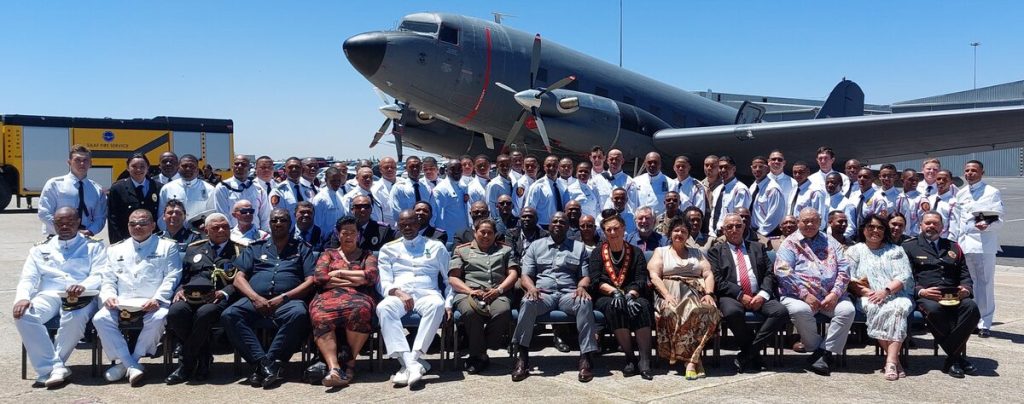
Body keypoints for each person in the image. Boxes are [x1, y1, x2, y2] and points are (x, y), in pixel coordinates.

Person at [222, 208, 315, 388]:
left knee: (299, 314)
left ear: (290, 224)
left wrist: (283, 298)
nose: (278, 223)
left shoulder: (302, 248)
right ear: (269, 224)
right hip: (255, 300)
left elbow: (310, 281)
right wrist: (255, 298)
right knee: (230, 314)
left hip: (288, 302)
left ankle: (266, 364)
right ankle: (264, 364)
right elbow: (238, 279)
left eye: (283, 220)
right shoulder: (255, 248)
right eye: (274, 220)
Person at [14, 207, 106, 387]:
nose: (64, 226)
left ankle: (50, 369)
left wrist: (83, 285)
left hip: (82, 296)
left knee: (75, 315)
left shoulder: (93, 246)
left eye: (69, 222)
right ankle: (54, 367)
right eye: (59, 223)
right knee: (24, 315)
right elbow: (28, 278)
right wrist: (23, 297)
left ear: (78, 222)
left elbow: (100, 274)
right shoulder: (40, 249)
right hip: (49, 294)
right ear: (53, 224)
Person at [93, 209, 182, 386]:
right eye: (133, 224)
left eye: (142, 223)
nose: (137, 227)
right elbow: (108, 278)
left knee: (159, 317)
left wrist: (158, 298)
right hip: (122, 302)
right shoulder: (116, 249)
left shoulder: (167, 246)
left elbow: (173, 276)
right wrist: (109, 296)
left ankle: (129, 362)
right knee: (100, 318)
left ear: (153, 225)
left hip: (151, 302)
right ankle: (131, 365)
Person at [511, 212, 597, 383]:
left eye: (562, 222)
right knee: (527, 301)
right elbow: (526, 275)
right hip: (543, 294)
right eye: (555, 221)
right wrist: (531, 287)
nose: (558, 224)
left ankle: (585, 358)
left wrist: (581, 286)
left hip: (569, 294)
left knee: (585, 301)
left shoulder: (578, 247)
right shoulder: (535, 246)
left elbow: (585, 275)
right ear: (549, 225)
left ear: (567, 226)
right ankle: (522, 357)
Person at [376, 209, 452, 387]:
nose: (407, 227)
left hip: (427, 293)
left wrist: (448, 304)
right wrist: (398, 293)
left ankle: (412, 360)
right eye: (403, 224)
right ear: (398, 226)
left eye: (411, 223)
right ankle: (413, 365)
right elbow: (384, 283)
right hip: (400, 294)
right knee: (383, 308)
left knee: (437, 304)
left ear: (419, 224)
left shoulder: (435, 246)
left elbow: (449, 280)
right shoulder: (388, 248)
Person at [165, 213, 243, 384]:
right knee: (175, 312)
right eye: (216, 227)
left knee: (205, 313)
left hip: (220, 297)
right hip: (192, 296)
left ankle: (186, 363)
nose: (222, 230)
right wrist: (179, 290)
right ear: (206, 230)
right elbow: (184, 276)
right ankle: (204, 355)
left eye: (225, 226)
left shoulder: (239, 250)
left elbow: (243, 280)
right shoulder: (194, 248)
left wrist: (222, 293)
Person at [774, 207, 853, 376]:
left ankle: (822, 353)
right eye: (805, 221)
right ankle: (821, 350)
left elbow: (845, 269)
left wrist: (835, 294)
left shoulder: (832, 242)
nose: (809, 224)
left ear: (820, 222)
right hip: (798, 296)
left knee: (847, 310)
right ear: (798, 222)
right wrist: (804, 294)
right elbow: (783, 271)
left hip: (831, 296)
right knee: (798, 310)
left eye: (813, 221)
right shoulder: (790, 243)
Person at [708, 213, 788, 373]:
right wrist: (740, 295)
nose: (734, 229)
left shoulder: (757, 247)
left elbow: (769, 273)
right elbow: (717, 279)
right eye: (730, 227)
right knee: (731, 312)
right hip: (731, 296)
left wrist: (763, 294)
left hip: (759, 294)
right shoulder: (715, 251)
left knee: (781, 312)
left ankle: (747, 354)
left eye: (738, 225)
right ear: (724, 230)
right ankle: (755, 355)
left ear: (744, 227)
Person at [904, 211, 980, 378]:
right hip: (927, 295)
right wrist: (920, 290)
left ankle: (952, 358)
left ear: (942, 227)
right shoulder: (909, 247)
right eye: (927, 223)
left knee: (971, 308)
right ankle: (956, 358)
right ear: (920, 226)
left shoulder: (953, 247)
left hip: (954, 295)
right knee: (935, 310)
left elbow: (964, 273)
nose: (931, 226)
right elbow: (905, 276)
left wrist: (966, 289)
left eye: (935, 223)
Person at [647, 216, 720, 379]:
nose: (679, 234)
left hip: (695, 291)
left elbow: (708, 274)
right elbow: (654, 275)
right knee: (672, 311)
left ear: (688, 235)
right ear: (670, 233)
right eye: (676, 230)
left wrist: (708, 293)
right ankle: (694, 361)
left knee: (708, 310)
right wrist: (666, 295)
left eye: (683, 231)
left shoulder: (697, 253)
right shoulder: (661, 252)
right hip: (669, 291)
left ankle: (691, 361)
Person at [309, 216, 379, 387]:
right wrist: (356, 279)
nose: (349, 236)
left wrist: (338, 273)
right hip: (328, 296)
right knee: (321, 314)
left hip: (359, 297)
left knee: (360, 310)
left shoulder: (367, 255)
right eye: (345, 232)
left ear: (358, 235)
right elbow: (320, 277)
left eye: (353, 232)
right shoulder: (328, 254)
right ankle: (334, 368)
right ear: (338, 234)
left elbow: (370, 276)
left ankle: (349, 364)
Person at [846, 214, 914, 381]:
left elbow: (903, 276)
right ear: (863, 229)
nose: (875, 230)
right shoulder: (855, 251)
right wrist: (869, 293)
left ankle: (890, 360)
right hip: (867, 295)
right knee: (875, 307)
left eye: (880, 227)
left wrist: (885, 291)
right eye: (871, 227)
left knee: (897, 309)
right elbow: (849, 278)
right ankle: (895, 361)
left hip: (895, 293)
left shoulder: (895, 250)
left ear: (885, 231)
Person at [449, 218, 520, 374]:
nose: (486, 236)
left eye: (490, 233)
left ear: (495, 235)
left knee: (503, 311)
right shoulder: (462, 250)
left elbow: (513, 274)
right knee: (470, 312)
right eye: (482, 232)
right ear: (475, 233)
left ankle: (482, 349)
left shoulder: (505, 250)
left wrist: (499, 290)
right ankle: (480, 355)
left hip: (497, 292)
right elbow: (453, 278)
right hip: (469, 293)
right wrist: (469, 291)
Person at [590, 213, 654, 379]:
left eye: (616, 228)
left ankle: (645, 360)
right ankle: (630, 358)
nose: (612, 232)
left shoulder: (636, 252)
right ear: (604, 232)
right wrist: (615, 292)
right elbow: (595, 280)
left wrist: (630, 294)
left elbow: (641, 279)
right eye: (608, 229)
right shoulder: (598, 253)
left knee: (643, 306)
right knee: (615, 307)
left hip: (633, 293)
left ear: (624, 229)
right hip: (607, 294)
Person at [953, 160, 1003, 338]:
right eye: (967, 170)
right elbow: (957, 220)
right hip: (964, 244)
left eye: (974, 170)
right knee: (968, 283)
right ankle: (971, 320)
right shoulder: (962, 193)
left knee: (985, 284)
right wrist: (954, 242)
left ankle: (985, 322)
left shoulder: (991, 192)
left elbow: (998, 219)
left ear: (982, 172)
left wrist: (987, 226)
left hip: (983, 244)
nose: (969, 173)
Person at [38, 144, 107, 236]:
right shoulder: (54, 184)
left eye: (85, 160)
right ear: (69, 162)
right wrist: (65, 230)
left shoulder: (97, 190)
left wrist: (90, 231)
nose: (82, 163)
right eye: (77, 160)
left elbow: (100, 217)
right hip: (58, 237)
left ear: (90, 163)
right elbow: (44, 212)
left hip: (85, 238)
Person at [107, 153, 163, 243]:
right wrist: (117, 243)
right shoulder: (118, 188)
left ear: (148, 167)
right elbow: (113, 219)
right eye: (134, 166)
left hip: (153, 240)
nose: (138, 169)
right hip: (127, 240)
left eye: (142, 166)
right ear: (128, 168)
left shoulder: (158, 187)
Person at [158, 154, 216, 230]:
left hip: (199, 236)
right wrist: (168, 233)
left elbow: (212, 215)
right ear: (178, 168)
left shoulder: (210, 189)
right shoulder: (167, 188)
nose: (188, 169)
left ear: (197, 170)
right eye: (184, 166)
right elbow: (161, 216)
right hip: (173, 236)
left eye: (192, 166)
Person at [215, 155, 270, 231]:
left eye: (243, 164)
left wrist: (264, 234)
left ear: (249, 168)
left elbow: (265, 216)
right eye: (236, 164)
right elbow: (223, 215)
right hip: (233, 235)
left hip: (256, 235)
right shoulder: (223, 188)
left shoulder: (259, 189)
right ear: (232, 167)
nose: (239, 166)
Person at [708, 156, 750, 238]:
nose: (723, 170)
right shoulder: (717, 190)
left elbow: (740, 217)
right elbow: (713, 214)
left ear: (734, 169)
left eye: (726, 167)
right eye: (720, 167)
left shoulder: (740, 190)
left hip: (729, 235)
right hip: (713, 234)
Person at [524, 155, 568, 228]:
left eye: (554, 165)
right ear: (544, 167)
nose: (551, 168)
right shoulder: (537, 186)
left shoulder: (563, 185)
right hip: (543, 227)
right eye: (548, 165)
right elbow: (529, 210)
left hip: (561, 226)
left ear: (559, 167)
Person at [311, 166, 350, 246]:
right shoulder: (320, 199)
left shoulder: (339, 196)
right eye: (333, 181)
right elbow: (316, 224)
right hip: (325, 243)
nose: (336, 183)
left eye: (338, 180)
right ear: (326, 180)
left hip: (339, 240)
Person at [271, 157, 317, 223]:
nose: (294, 169)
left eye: (297, 167)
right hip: (289, 231)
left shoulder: (308, 189)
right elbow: (277, 216)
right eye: (290, 167)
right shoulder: (278, 191)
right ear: (285, 170)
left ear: (302, 169)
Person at [433, 159, 470, 238]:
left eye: (459, 169)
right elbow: (438, 217)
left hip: (464, 235)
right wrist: (442, 237)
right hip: (450, 237)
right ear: (446, 170)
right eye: (453, 169)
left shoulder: (463, 187)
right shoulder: (440, 190)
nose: (456, 171)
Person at [748, 155, 784, 236]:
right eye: (754, 167)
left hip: (767, 234)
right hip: (753, 233)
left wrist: (760, 234)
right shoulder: (753, 186)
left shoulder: (773, 189)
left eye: (761, 167)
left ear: (767, 169)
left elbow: (774, 216)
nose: (757, 169)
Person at [635, 152, 670, 216]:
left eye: (655, 162)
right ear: (645, 163)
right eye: (649, 162)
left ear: (660, 164)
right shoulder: (636, 181)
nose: (652, 164)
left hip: (660, 223)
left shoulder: (670, 183)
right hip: (640, 221)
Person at [895, 169, 925, 237]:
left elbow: (923, 220)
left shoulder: (921, 199)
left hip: (914, 236)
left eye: (916, 180)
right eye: (911, 179)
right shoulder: (898, 197)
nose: (914, 182)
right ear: (902, 181)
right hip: (898, 235)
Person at [766, 150, 797, 215]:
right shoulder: (762, 182)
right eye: (773, 159)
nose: (776, 161)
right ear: (768, 162)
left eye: (780, 160)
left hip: (785, 223)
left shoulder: (793, 183)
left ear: (784, 163)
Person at [372, 157, 399, 227]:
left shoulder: (405, 184)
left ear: (396, 169)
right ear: (380, 170)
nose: (390, 169)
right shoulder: (375, 189)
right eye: (386, 167)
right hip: (388, 229)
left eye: (392, 167)